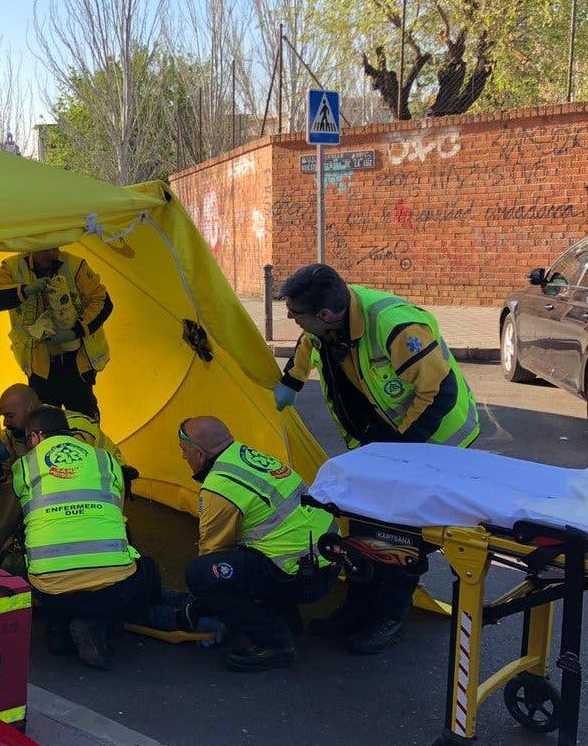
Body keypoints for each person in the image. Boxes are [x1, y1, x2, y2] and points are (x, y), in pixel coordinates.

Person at [274, 263, 480, 654]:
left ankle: (388, 615)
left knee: (400, 532)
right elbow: (308, 344)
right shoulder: (328, 324)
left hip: (434, 442)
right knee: (360, 522)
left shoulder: (397, 327)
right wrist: (290, 382)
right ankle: (357, 607)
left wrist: (396, 455)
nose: (290, 319)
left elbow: (440, 394)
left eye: (295, 314)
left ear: (325, 315)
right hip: (381, 443)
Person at [178, 417, 338, 672]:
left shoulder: (220, 486)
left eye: (184, 452)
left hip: (298, 576)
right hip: (326, 561)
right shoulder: (247, 455)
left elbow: (213, 550)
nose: (183, 458)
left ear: (199, 453)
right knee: (260, 548)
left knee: (200, 574)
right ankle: (288, 620)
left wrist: (207, 607)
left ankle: (274, 641)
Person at [12, 405, 143, 670]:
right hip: (113, 586)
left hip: (50, 587)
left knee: (22, 560)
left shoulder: (25, 465)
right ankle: (94, 623)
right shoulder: (105, 459)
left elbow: (10, 518)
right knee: (145, 571)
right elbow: (117, 515)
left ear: (36, 437)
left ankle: (58, 623)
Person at [0, 384, 134, 570]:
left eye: (9, 416)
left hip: (105, 478)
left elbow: (71, 473)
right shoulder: (13, 434)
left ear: (29, 409)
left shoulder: (76, 424)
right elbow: (8, 474)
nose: (5, 423)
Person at [0, 247, 111, 419]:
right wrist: (24, 291)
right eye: (43, 250)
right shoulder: (13, 267)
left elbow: (103, 301)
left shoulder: (75, 265)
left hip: (77, 362)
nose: (50, 255)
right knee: (43, 421)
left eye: (54, 249)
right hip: (39, 364)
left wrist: (75, 331)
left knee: (85, 420)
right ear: (31, 248)